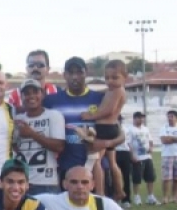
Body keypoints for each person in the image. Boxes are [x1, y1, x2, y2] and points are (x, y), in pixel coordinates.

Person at [44, 57, 122, 188]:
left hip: (95, 170)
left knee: (97, 208)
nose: (75, 77)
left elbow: (120, 134)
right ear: (65, 75)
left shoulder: (100, 99)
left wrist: (106, 143)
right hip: (65, 169)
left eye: (79, 72)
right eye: (71, 73)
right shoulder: (51, 101)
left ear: (86, 73)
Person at [79, 60, 128, 200]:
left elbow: (109, 110)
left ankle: (100, 192)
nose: (110, 81)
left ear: (125, 77)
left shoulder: (118, 91)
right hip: (110, 128)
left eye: (115, 77)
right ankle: (119, 190)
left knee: (96, 161)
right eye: (107, 78)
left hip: (105, 128)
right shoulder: (112, 90)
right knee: (112, 162)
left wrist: (91, 115)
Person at [13, 79, 66, 196]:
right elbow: (13, 147)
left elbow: (59, 147)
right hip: (21, 183)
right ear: (21, 97)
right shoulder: (17, 119)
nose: (31, 96)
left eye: (35, 92)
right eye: (27, 93)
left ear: (42, 95)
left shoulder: (54, 115)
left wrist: (32, 133)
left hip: (46, 183)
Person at [128, 111, 159, 205]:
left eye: (142, 118)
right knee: (137, 178)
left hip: (147, 156)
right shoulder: (130, 130)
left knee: (150, 177)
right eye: (139, 117)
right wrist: (132, 155)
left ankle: (150, 196)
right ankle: (137, 196)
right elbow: (128, 143)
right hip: (137, 157)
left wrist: (151, 148)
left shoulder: (145, 129)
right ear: (134, 118)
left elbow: (150, 140)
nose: (141, 119)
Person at [114, 117, 133, 207]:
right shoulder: (111, 128)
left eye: (119, 119)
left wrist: (132, 154)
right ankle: (116, 197)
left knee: (126, 176)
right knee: (114, 176)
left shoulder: (126, 129)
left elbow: (128, 143)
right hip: (114, 152)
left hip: (125, 152)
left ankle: (126, 199)